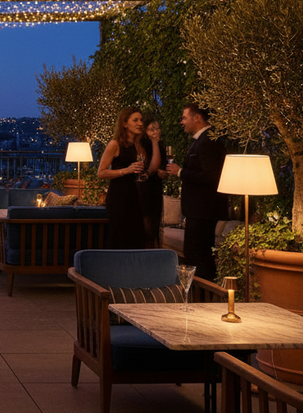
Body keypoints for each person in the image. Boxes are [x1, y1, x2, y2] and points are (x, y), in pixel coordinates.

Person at [165, 104, 227, 281]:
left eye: (184, 118)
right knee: (194, 254)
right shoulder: (200, 140)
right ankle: (197, 294)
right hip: (197, 210)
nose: (181, 122)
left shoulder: (209, 141)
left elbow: (211, 176)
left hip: (204, 210)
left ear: (197, 118)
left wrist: (180, 172)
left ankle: (203, 296)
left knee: (199, 255)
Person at [97, 107, 159, 249]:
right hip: (119, 198)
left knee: (137, 238)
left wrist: (142, 174)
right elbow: (101, 173)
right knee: (120, 237)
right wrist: (127, 170)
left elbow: (151, 168)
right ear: (124, 123)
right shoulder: (115, 144)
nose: (140, 124)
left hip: (137, 197)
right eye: (135, 120)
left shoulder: (140, 145)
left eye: (141, 120)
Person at [137, 118, 167, 248]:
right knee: (145, 225)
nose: (155, 132)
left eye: (157, 128)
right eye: (151, 129)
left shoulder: (161, 145)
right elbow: (150, 168)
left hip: (156, 188)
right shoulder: (141, 144)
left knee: (155, 224)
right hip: (144, 188)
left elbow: (163, 168)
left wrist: (164, 173)